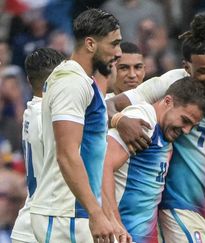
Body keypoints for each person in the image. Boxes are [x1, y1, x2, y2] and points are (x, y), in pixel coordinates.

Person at [106, 14, 205, 242]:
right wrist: (119, 120)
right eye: (204, 71)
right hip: (178, 207)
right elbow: (109, 104)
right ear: (187, 67)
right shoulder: (170, 83)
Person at [29, 9, 123, 243]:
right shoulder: (70, 82)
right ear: (90, 44)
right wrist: (95, 213)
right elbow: (67, 155)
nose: (118, 53)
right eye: (114, 44)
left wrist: (105, 213)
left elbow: (93, 155)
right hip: (64, 212)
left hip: (75, 212)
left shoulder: (82, 81)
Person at [103, 76, 205, 243]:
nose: (187, 130)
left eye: (192, 126)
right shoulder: (143, 120)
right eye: (185, 120)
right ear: (167, 101)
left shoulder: (165, 134)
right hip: (122, 235)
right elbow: (102, 166)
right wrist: (114, 223)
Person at [10, 48, 65, 243]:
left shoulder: (31, 111)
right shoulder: (51, 116)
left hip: (28, 224)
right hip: (49, 227)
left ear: (27, 80)